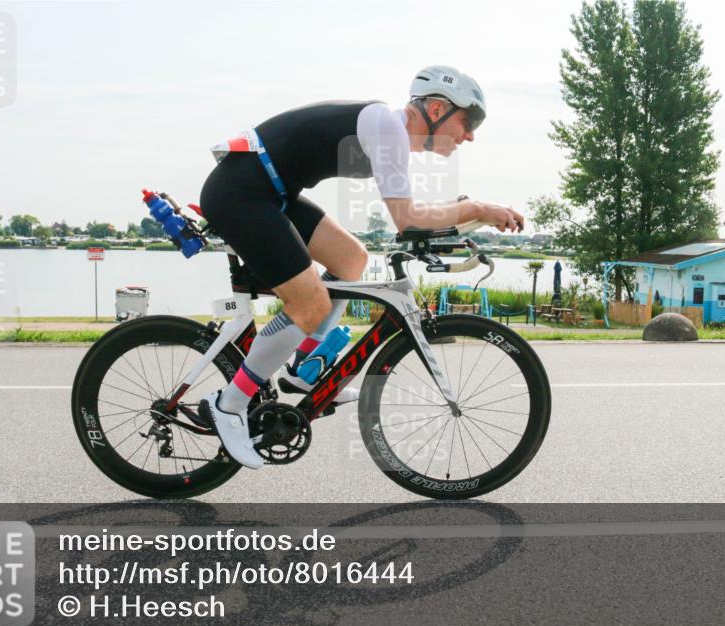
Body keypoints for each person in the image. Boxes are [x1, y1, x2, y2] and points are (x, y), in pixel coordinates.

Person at [198, 65, 525, 469]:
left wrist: (471, 217)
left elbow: (412, 217)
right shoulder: (389, 129)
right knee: (310, 306)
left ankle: (305, 366)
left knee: (351, 260)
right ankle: (229, 404)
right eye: (469, 121)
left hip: (269, 191)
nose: (471, 134)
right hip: (241, 192)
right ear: (438, 108)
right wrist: (476, 208)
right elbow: (407, 219)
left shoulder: (392, 134)